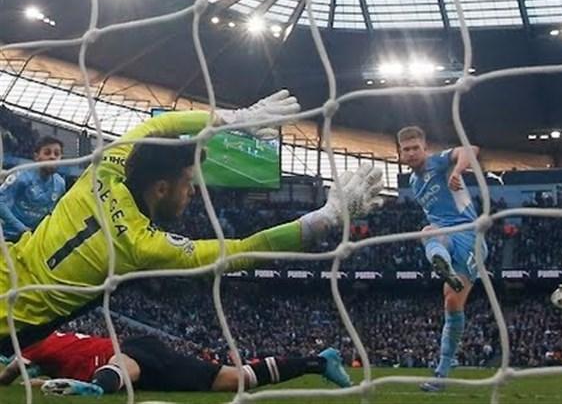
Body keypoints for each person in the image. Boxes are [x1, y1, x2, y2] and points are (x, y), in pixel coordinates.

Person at [0, 90, 384, 356]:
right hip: (11, 322)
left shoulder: (103, 170)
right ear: (162, 188)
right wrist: (328, 217)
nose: (193, 192)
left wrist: (234, 119)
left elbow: (157, 128)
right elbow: (244, 250)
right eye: (188, 183)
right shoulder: (142, 245)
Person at [396, 126, 484, 392]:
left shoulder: (439, 162)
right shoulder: (414, 183)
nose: (412, 153)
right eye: (406, 149)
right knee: (451, 303)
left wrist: (457, 171)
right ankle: (441, 375)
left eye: (416, 148)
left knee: (428, 233)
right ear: (400, 154)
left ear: (425, 148)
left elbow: (471, 149)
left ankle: (441, 262)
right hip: (445, 237)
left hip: (469, 236)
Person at [0, 330, 350, 395]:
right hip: (144, 371)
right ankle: (319, 362)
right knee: (236, 380)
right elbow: (36, 378)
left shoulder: (33, 342)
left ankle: (97, 389)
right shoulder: (50, 342)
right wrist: (42, 383)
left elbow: (8, 376)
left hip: (133, 351)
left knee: (123, 364)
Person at [0, 136, 65, 242]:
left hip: (33, 240)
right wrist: (22, 228)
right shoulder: (22, 175)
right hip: (7, 236)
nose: (52, 157)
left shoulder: (60, 184)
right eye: (47, 153)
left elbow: (53, 213)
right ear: (36, 156)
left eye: (57, 154)